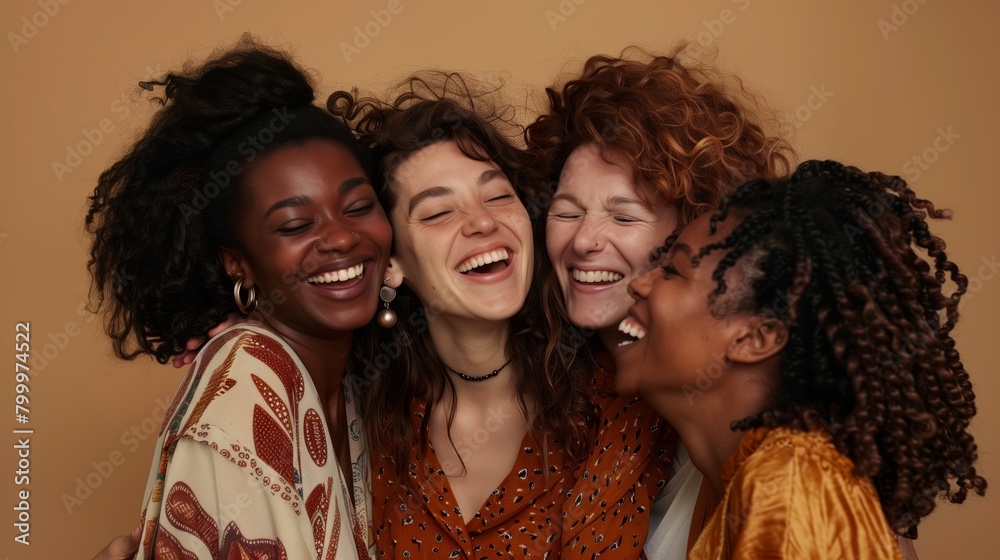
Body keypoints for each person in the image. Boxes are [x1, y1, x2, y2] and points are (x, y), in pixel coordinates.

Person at [329, 76, 674, 559]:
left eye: (497, 197)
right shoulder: (359, 408)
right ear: (393, 262)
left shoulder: (615, 402)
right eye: (437, 213)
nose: (482, 221)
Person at [86, 40, 391, 559]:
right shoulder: (249, 387)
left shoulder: (354, 374)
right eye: (296, 224)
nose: (340, 238)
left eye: (359, 207)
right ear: (238, 262)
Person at [615, 159, 988, 558]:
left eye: (673, 271)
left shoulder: (794, 488)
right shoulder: (752, 480)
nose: (639, 283)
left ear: (757, 337)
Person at [525, 47, 793, 558]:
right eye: (567, 212)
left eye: (624, 218)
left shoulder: (766, 429)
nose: (584, 241)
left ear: (693, 233)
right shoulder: (559, 389)